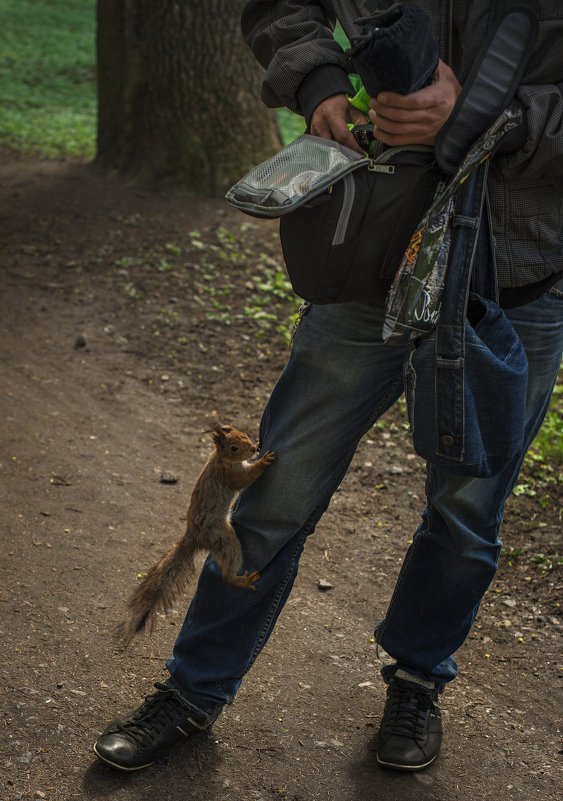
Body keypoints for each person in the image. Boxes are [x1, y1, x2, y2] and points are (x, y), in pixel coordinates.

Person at [93, 0, 563, 774]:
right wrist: (318, 84)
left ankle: (416, 681)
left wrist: (485, 117)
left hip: (512, 281)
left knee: (466, 511)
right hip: (367, 260)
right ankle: (192, 690)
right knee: (276, 491)